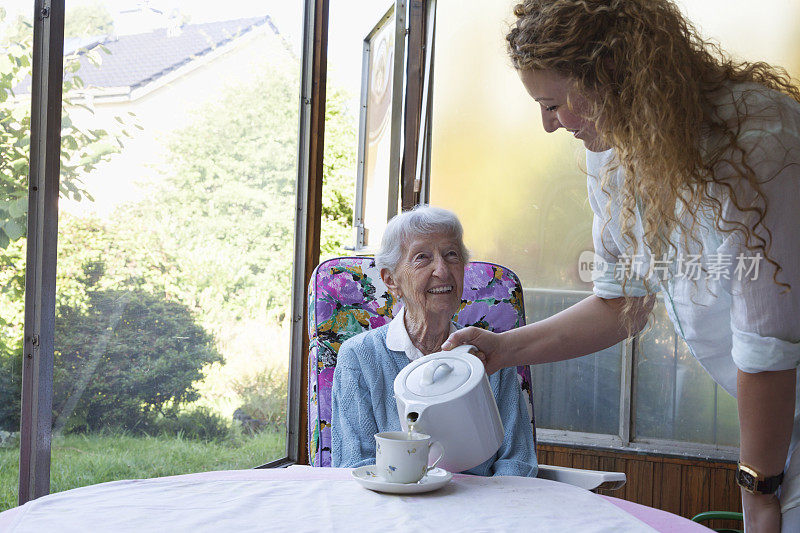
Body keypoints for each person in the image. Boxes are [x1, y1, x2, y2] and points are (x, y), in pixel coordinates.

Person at [442, 1, 800, 531]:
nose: (547, 125)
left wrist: (760, 493)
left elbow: (768, 352)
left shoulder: (756, 145)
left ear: (612, 77)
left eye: (553, 103)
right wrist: (504, 350)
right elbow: (623, 303)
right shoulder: (613, 150)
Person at [331, 206, 538, 477]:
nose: (442, 269)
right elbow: (354, 467)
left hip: (482, 510)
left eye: (451, 255)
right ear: (391, 280)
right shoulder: (359, 358)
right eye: (422, 257)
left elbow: (517, 462)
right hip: (392, 512)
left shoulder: (488, 354)